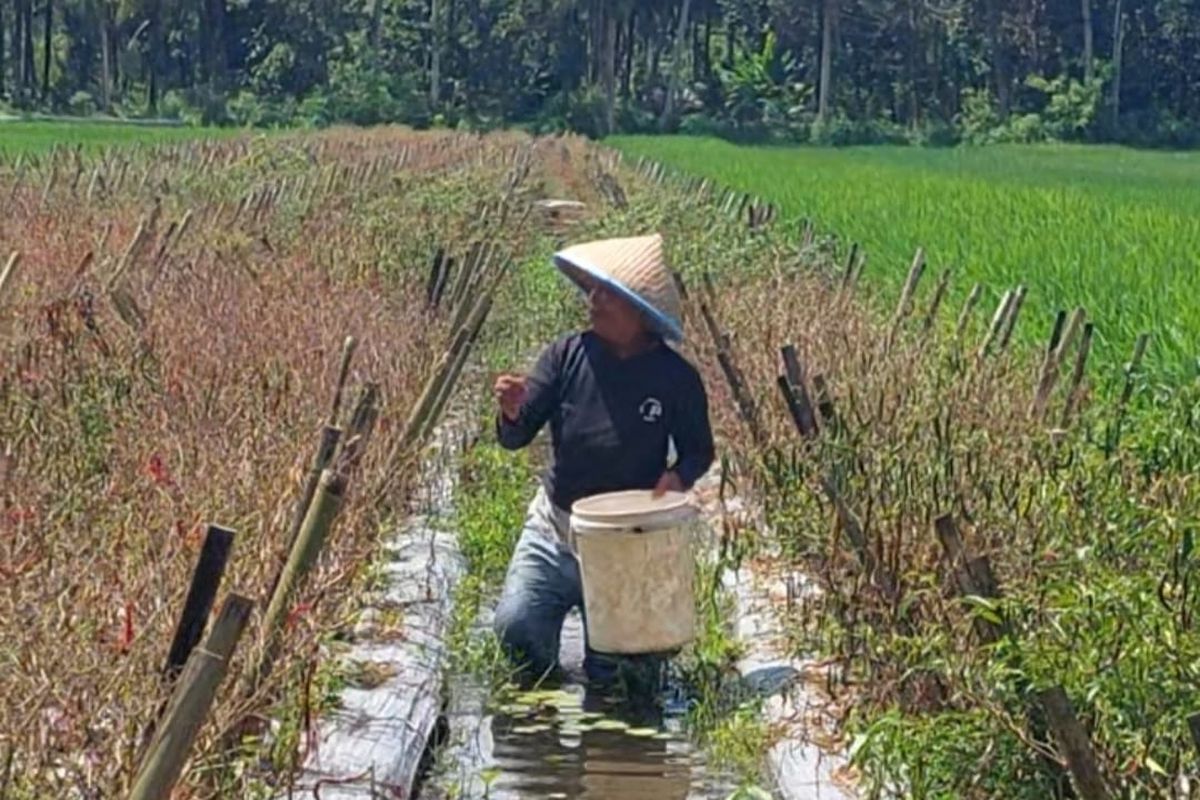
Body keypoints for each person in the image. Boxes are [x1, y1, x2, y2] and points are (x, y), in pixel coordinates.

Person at [491, 232, 715, 686]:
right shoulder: (565, 356)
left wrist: (676, 478)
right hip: (557, 531)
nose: (592, 301)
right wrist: (511, 412)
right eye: (591, 290)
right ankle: (547, 699)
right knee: (518, 630)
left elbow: (699, 450)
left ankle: (610, 673)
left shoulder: (676, 378)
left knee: (624, 676)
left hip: (626, 543)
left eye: (606, 293)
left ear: (639, 310)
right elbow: (517, 435)